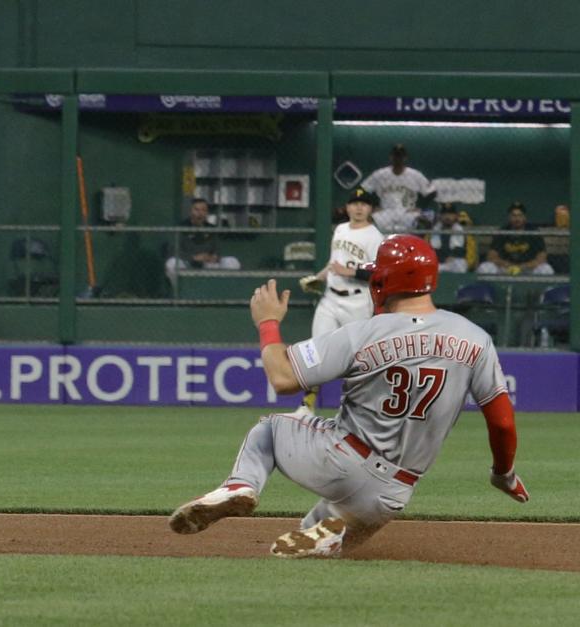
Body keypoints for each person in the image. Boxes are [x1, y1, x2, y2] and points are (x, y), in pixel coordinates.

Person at [169, 234, 528, 558]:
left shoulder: (364, 333)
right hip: (394, 493)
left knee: (272, 429)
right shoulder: (475, 338)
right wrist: (504, 474)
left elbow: (282, 378)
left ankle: (239, 485)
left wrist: (268, 323)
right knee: (301, 545)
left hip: (342, 460)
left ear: (384, 280)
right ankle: (331, 537)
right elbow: (502, 422)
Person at [298, 186, 383, 412]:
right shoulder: (341, 229)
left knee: (358, 358)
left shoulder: (375, 237)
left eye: (364, 204)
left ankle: (361, 406)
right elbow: (334, 262)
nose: (358, 207)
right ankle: (307, 404)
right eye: (355, 203)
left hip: (357, 302)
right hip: (330, 299)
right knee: (316, 351)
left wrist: (351, 272)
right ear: (347, 207)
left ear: (370, 209)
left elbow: (378, 273)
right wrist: (319, 278)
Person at [164, 198, 241, 289]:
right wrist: (193, 257)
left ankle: (225, 292)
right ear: (190, 211)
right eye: (196, 210)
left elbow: (217, 249)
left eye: (203, 210)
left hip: (208, 264)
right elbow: (173, 251)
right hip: (188, 264)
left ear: (207, 213)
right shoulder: (181, 227)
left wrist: (214, 257)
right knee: (171, 263)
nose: (200, 213)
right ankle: (180, 293)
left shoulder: (211, 229)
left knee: (232, 262)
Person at [361, 144, 435, 233]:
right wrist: (372, 206)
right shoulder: (380, 174)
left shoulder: (415, 175)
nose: (398, 158)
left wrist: (420, 207)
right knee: (367, 221)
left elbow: (432, 192)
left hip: (408, 213)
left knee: (422, 221)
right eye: (396, 155)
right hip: (385, 212)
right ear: (391, 157)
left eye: (400, 156)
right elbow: (361, 190)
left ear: (405, 158)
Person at [476, 202, 554, 275]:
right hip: (506, 268)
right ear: (509, 217)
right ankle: (487, 289)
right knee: (485, 267)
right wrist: (507, 265)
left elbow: (542, 257)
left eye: (520, 215)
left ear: (524, 217)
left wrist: (522, 266)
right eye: (514, 215)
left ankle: (540, 290)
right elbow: (491, 256)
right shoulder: (503, 231)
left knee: (546, 269)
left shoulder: (533, 231)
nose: (517, 219)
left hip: (528, 269)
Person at [427, 202, 475, 273]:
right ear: (440, 216)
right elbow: (429, 251)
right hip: (439, 263)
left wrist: (454, 257)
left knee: (460, 264)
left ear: (456, 216)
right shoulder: (432, 232)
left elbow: (470, 254)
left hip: (456, 263)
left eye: (450, 214)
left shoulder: (463, 232)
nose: (447, 217)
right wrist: (443, 259)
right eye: (445, 214)